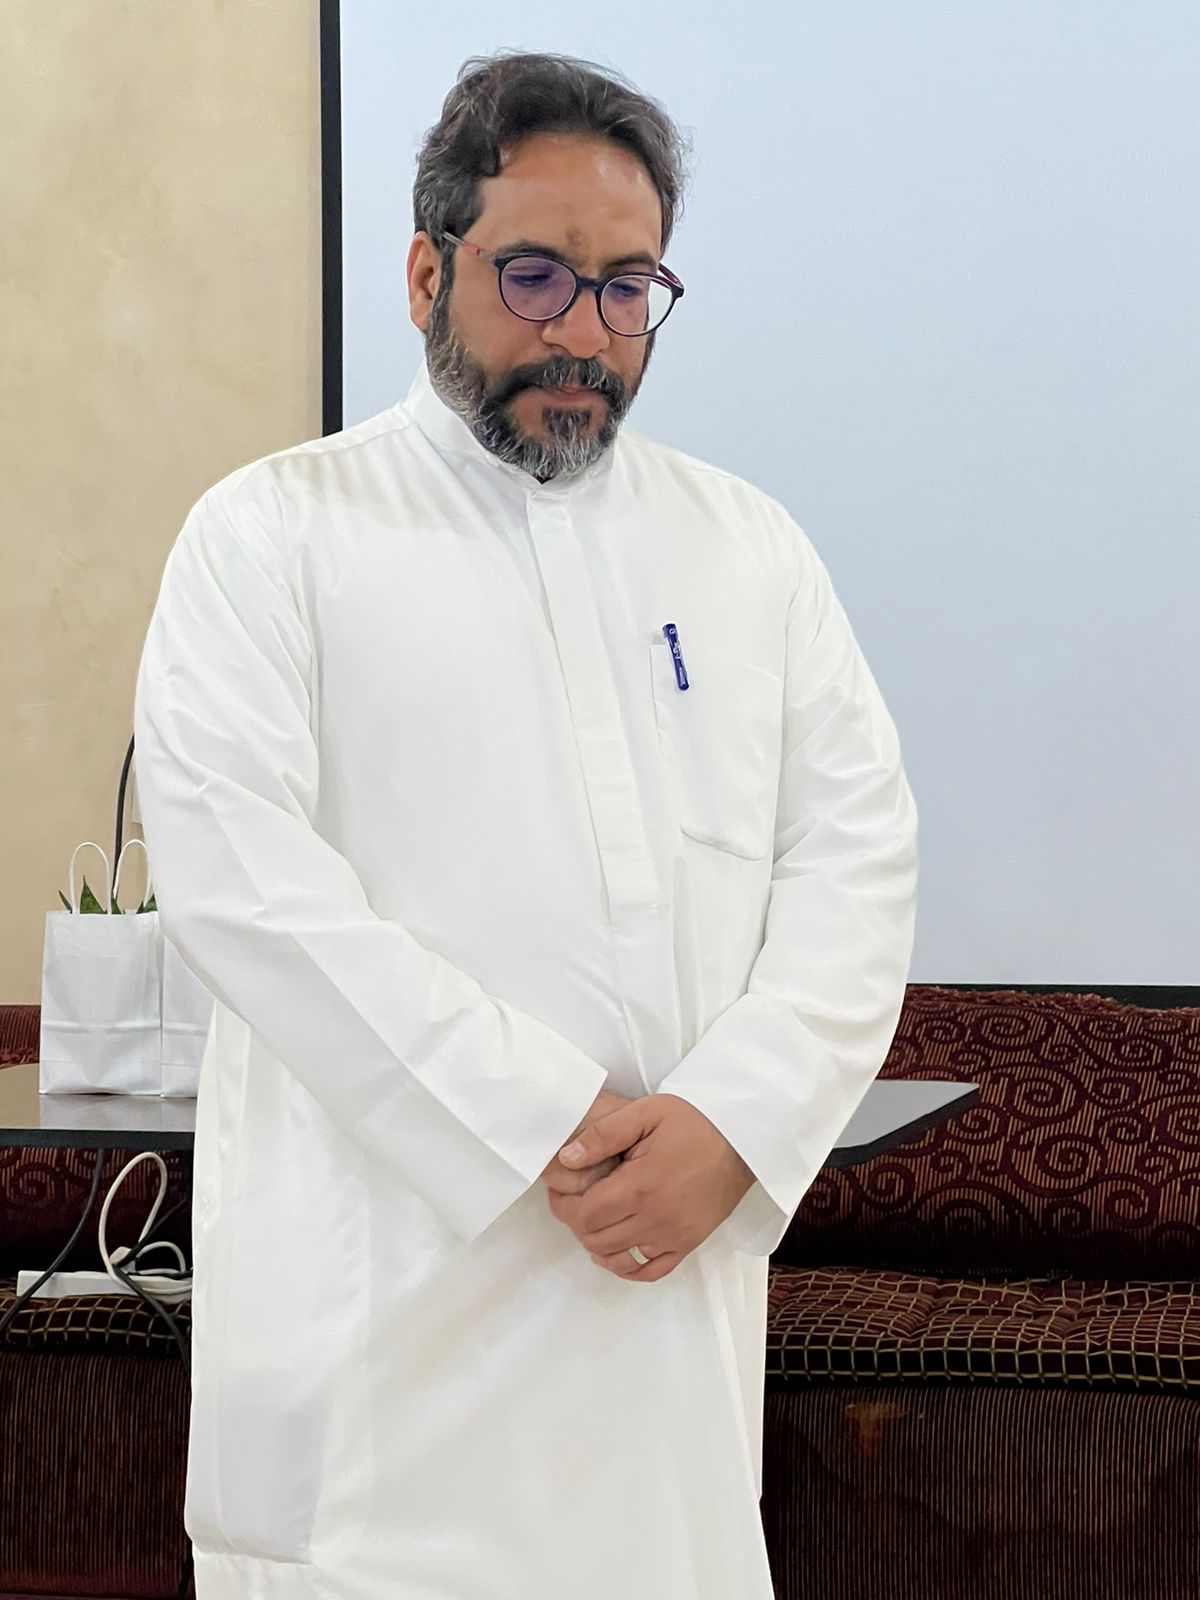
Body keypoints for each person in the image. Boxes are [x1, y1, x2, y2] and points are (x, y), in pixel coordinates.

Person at [134, 49, 918, 1600]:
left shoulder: (747, 550)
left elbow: (855, 859)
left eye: (628, 289)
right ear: (427, 272)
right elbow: (241, 880)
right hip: (375, 1366)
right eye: (537, 275)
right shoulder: (272, 534)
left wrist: (735, 1122)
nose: (584, 332)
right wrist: (541, 1121)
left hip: (657, 1358)